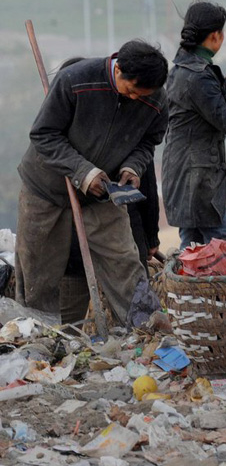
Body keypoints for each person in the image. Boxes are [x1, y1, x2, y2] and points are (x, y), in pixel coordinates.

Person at [15, 40, 169, 326]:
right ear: (118, 69)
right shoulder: (75, 81)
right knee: (38, 272)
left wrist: (132, 167)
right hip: (46, 189)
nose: (136, 98)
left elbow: (149, 141)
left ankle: (148, 329)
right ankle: (40, 339)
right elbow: (44, 134)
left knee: (124, 260)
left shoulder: (157, 100)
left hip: (103, 192)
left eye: (143, 94)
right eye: (132, 90)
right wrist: (84, 172)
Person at [54, 57, 163, 322]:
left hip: (123, 233)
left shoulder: (119, 129)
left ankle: (140, 337)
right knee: (72, 315)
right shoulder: (59, 141)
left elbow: (145, 186)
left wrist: (150, 238)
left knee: (129, 303)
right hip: (75, 244)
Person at [162, 0, 226, 249]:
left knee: (192, 246)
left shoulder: (178, 70)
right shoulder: (199, 76)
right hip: (198, 179)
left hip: (181, 171)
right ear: (215, 36)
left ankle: (190, 289)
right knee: (225, 248)